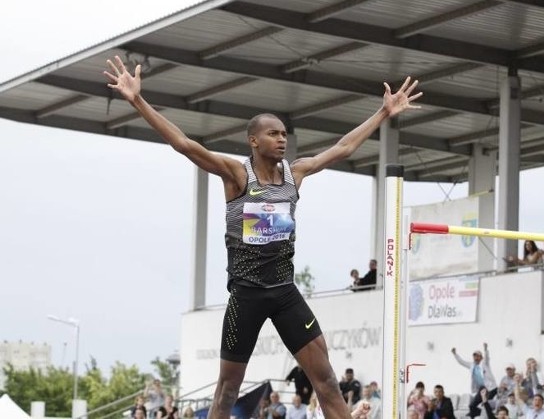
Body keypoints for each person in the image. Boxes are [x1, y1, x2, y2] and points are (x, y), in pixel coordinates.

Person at [104, 55, 422, 419]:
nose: (282, 139)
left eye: (285, 133)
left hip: (285, 293)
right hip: (247, 295)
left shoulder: (295, 174)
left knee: (328, 381)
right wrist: (137, 100)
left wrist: (383, 113)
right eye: (274, 133)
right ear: (253, 140)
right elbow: (184, 144)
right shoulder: (235, 176)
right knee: (226, 392)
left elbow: (343, 148)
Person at [451, 343, 497, 418]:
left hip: (491, 388)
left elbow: (487, 357)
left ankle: (485, 415)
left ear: (481, 357)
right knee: (471, 406)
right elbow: (461, 362)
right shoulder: (471, 366)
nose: (476, 357)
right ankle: (476, 413)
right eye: (474, 356)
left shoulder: (485, 364)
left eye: (477, 356)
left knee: (486, 406)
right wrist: (455, 354)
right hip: (482, 389)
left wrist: (485, 349)